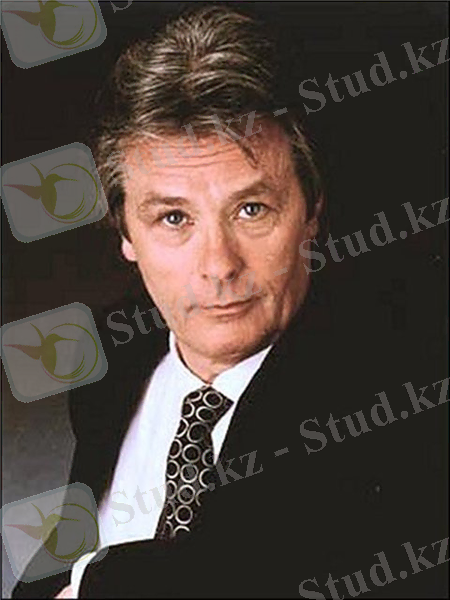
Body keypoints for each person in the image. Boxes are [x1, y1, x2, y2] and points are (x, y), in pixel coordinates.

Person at [13, 5, 447, 599]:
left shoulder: (393, 390)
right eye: (173, 218)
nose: (219, 265)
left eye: (251, 209)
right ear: (125, 233)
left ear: (311, 212)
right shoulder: (112, 360)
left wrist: (94, 587)